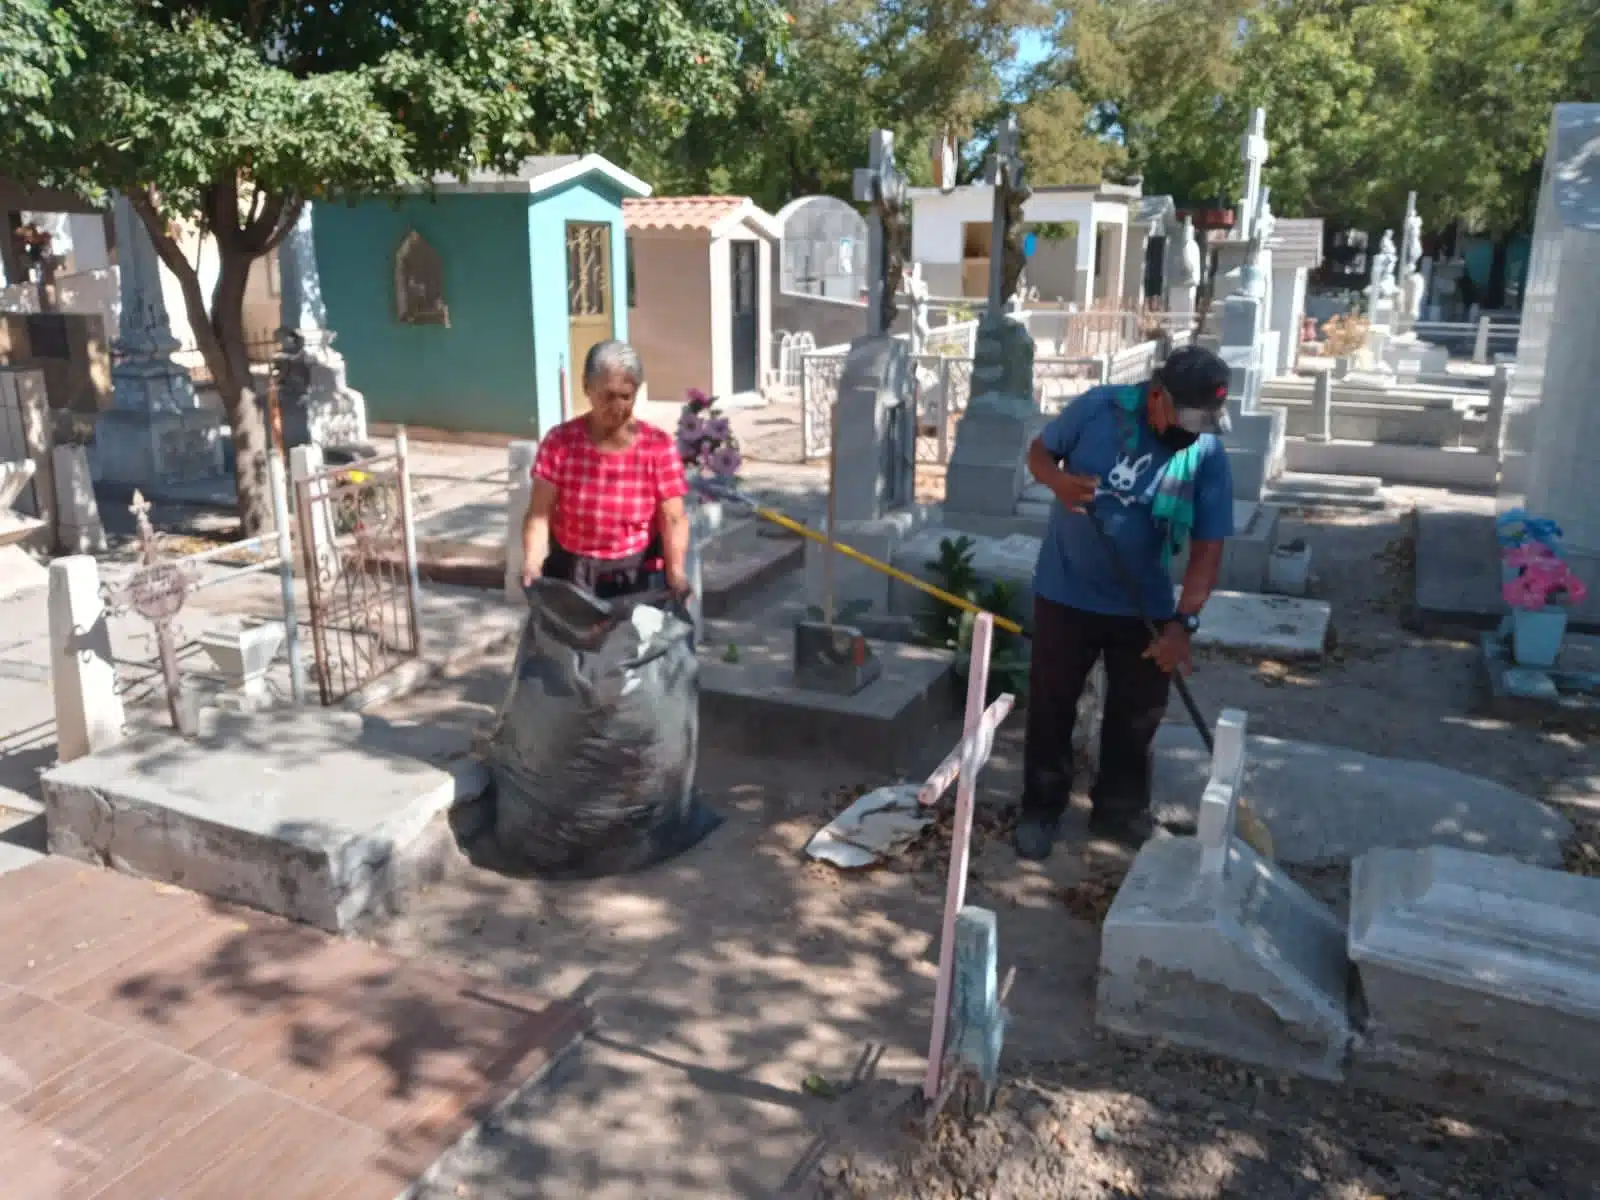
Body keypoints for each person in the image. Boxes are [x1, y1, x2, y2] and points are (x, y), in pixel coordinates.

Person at [1014, 345, 1236, 859]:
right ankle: (1041, 808)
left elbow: (1208, 549)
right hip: (1065, 591)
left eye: (1202, 422)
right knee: (1051, 705)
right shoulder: (1097, 409)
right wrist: (1059, 483)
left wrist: (1184, 623)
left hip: (1146, 604)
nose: (1190, 431)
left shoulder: (1205, 455)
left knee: (1137, 714)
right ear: (1157, 396)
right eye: (1184, 418)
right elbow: (1039, 454)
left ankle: (1118, 811)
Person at [520, 340, 691, 601]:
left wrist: (676, 572)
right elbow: (539, 515)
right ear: (586, 388)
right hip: (572, 572)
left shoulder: (658, 447)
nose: (618, 407)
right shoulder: (560, 442)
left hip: (636, 575)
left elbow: (673, 519)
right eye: (608, 395)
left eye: (626, 396)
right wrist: (532, 562)